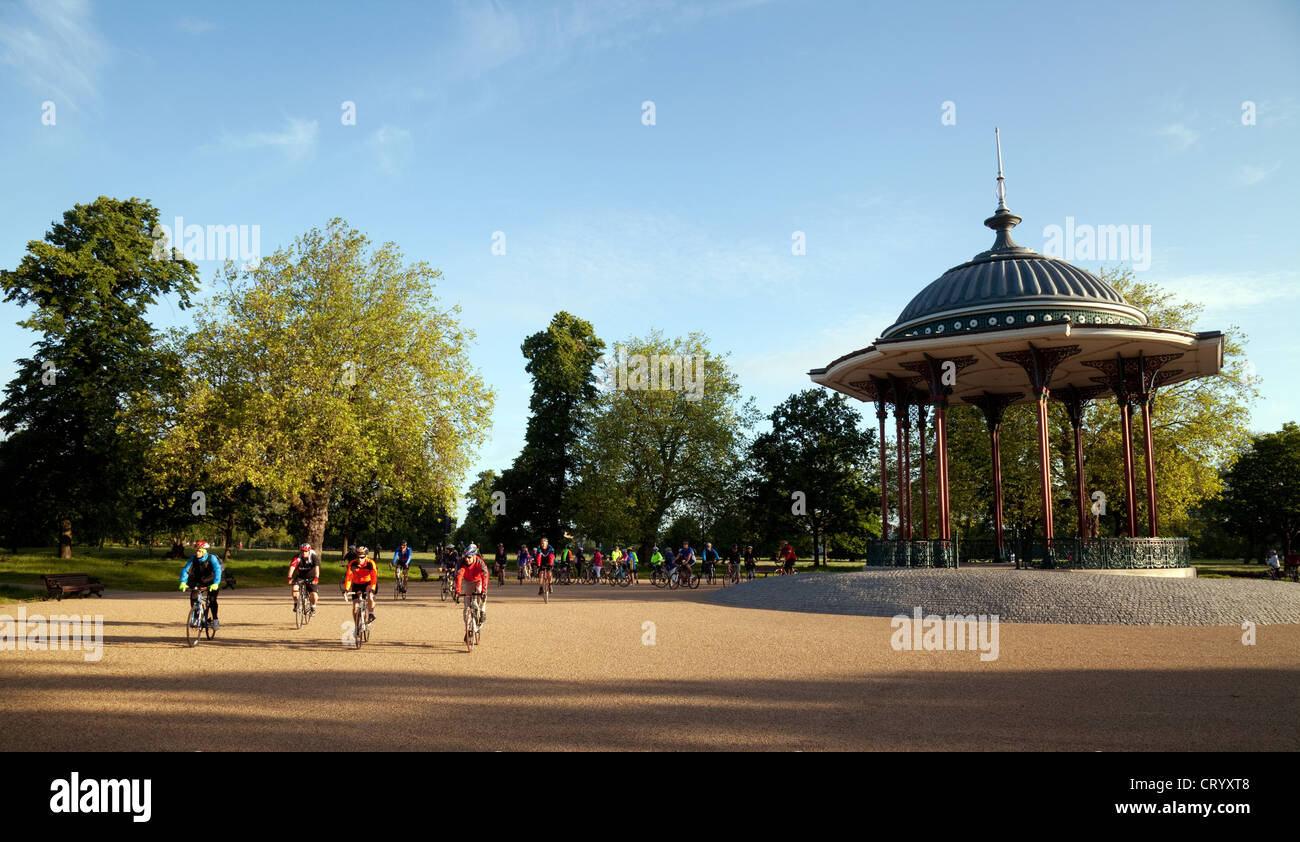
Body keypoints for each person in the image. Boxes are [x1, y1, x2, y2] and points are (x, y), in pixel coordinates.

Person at [180, 540, 223, 630]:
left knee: (212, 600)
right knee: (194, 596)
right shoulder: (193, 559)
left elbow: (217, 570)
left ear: (204, 551)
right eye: (197, 550)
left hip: (212, 581)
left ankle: (215, 619)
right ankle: (196, 617)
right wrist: (183, 582)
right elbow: (186, 569)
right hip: (199, 581)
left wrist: (216, 583)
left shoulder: (212, 558)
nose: (197, 552)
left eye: (200, 551)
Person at [456, 546, 490, 648]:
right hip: (468, 581)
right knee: (466, 607)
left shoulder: (480, 563)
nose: (467, 559)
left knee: (480, 594)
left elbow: (485, 575)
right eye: (465, 557)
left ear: (474, 556)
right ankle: (468, 628)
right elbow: (459, 577)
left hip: (479, 580)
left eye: (469, 557)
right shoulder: (462, 563)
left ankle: (482, 611)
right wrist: (458, 591)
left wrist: (484, 591)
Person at [344, 545, 379, 624]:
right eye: (358, 557)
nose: (360, 559)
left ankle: (371, 614)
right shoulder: (353, 564)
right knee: (355, 607)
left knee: (369, 594)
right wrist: (346, 589)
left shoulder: (371, 563)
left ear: (366, 556)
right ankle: (356, 627)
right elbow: (349, 578)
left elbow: (374, 578)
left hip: (368, 583)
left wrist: (372, 589)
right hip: (357, 584)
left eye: (362, 557)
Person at [287, 542, 320, 617]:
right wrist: (289, 577)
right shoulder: (297, 557)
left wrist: (316, 578)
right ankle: (296, 604)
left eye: (305, 551)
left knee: (314, 595)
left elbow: (317, 569)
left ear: (309, 551)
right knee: (294, 588)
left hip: (312, 577)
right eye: (302, 551)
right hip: (300, 577)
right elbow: (292, 568)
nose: (303, 552)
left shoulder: (313, 557)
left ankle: (313, 607)